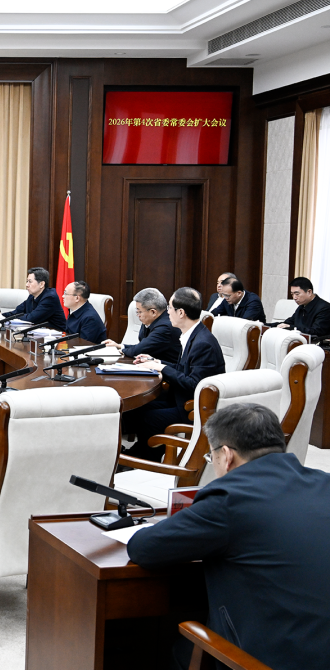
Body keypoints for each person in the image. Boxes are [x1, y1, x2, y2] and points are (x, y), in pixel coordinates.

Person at [128, 403, 330, 670]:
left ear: (226, 455)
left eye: (210, 458)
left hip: (268, 661)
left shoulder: (229, 498)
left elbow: (144, 548)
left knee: (178, 651)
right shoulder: (323, 483)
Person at [121, 287, 225, 461]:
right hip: (180, 398)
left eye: (169, 307)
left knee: (149, 418)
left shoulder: (203, 343)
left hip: (194, 408)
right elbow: (183, 368)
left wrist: (162, 368)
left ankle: (147, 461)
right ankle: (136, 453)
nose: (167, 311)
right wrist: (157, 362)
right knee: (136, 409)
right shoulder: (193, 334)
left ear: (181, 312)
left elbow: (194, 384)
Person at [104, 287, 181, 363]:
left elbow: (139, 350)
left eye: (139, 312)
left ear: (153, 312)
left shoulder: (165, 327)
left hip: (168, 368)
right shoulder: (151, 321)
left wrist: (120, 351)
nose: (138, 315)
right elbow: (143, 346)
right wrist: (119, 346)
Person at [0, 267, 66, 331]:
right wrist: (1, 316)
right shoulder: (32, 296)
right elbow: (16, 312)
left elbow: (31, 318)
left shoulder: (50, 298)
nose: (27, 285)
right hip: (38, 334)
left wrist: (12, 318)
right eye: (27, 281)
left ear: (41, 284)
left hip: (57, 337)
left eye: (30, 282)